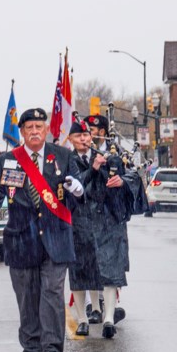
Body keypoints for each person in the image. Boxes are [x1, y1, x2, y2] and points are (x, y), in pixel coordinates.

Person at [0, 108, 86, 352]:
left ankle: (52, 350)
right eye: (30, 128)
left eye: (39, 126)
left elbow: (77, 192)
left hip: (55, 238)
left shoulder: (62, 156)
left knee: (51, 294)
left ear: (46, 129)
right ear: (22, 132)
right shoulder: (8, 161)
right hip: (21, 239)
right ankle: (31, 351)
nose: (35, 131)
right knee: (27, 297)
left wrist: (77, 189)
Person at [84, 114, 133, 338]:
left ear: (104, 132)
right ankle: (94, 308)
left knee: (111, 267)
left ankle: (109, 318)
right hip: (87, 216)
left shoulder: (119, 153)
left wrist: (123, 181)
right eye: (87, 130)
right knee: (91, 264)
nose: (92, 134)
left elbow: (135, 176)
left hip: (112, 217)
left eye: (95, 129)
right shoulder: (78, 155)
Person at [65, 120, 104, 335]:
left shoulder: (99, 157)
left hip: (97, 221)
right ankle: (82, 319)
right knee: (78, 271)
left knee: (97, 267)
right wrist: (93, 168)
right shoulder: (67, 160)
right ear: (71, 139)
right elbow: (78, 186)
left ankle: (97, 308)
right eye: (78, 136)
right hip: (76, 222)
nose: (83, 139)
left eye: (86, 135)